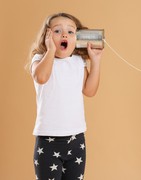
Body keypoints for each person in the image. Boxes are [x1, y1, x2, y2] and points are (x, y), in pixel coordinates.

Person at [27, 12, 103, 180]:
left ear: (77, 38)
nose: (64, 34)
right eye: (57, 31)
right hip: (48, 140)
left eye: (70, 32)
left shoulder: (77, 62)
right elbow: (41, 77)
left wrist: (95, 61)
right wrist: (51, 50)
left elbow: (89, 91)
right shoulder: (39, 59)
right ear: (47, 35)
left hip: (76, 139)